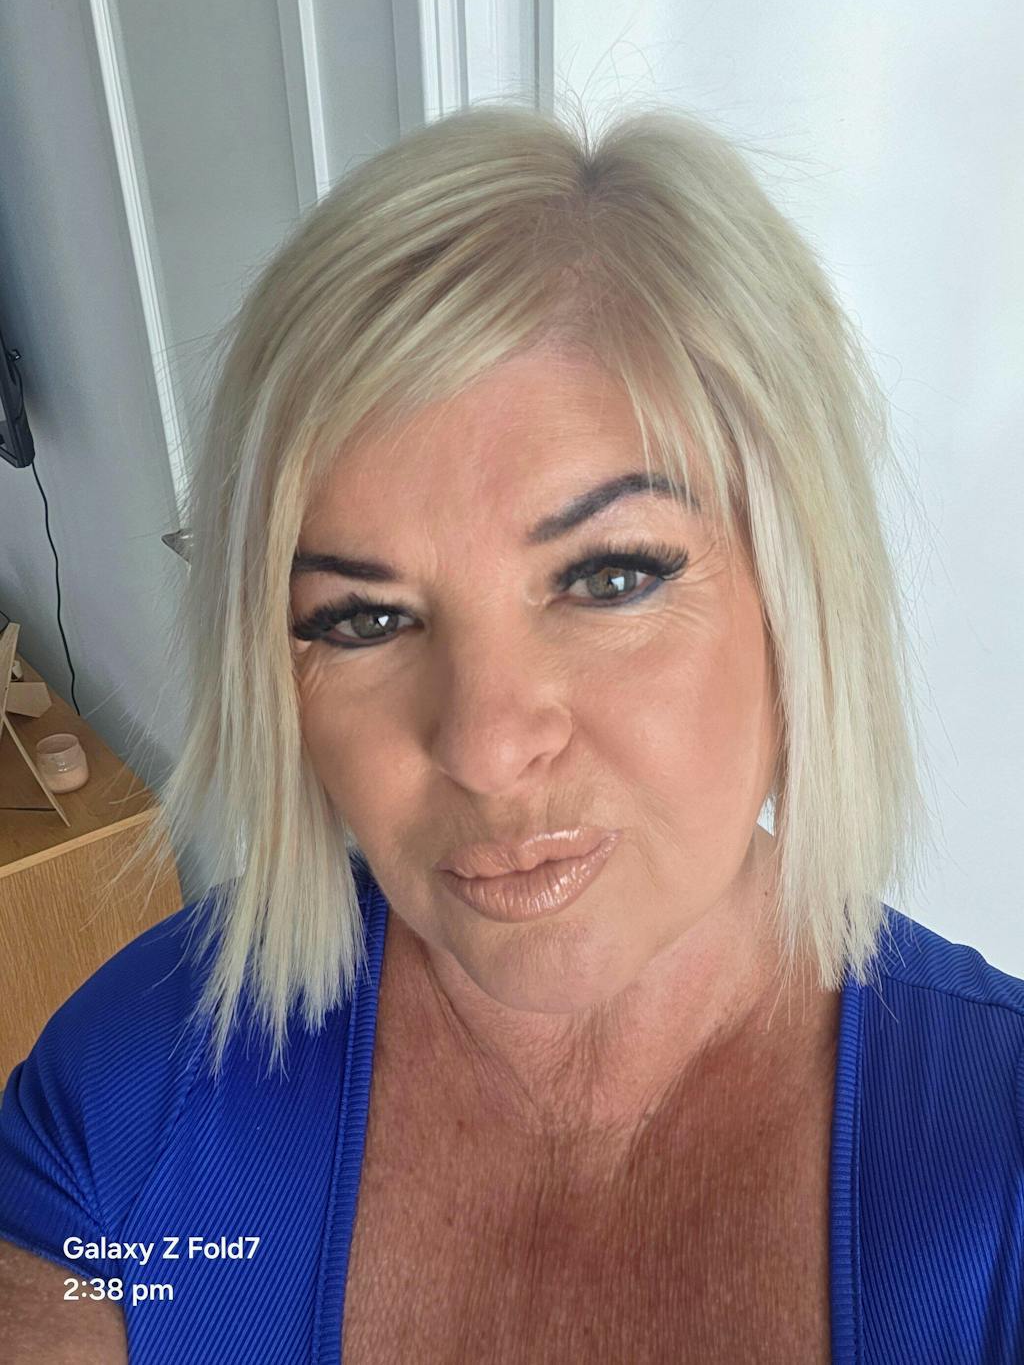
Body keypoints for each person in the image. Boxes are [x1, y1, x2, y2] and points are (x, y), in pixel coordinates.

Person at [1, 97, 1022, 1365]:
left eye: (608, 578)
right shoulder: (138, 1092)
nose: (484, 751)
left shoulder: (996, 1165)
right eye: (363, 618)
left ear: (798, 591)